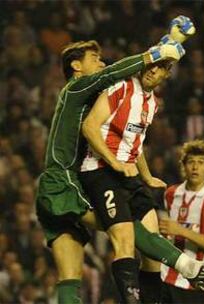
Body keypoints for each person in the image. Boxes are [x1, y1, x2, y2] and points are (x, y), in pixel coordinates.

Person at [35, 17, 191, 304]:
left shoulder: (92, 97)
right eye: (95, 58)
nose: (102, 63)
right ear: (76, 66)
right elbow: (121, 72)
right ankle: (183, 263)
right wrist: (156, 52)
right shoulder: (75, 89)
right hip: (63, 183)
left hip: (62, 189)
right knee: (123, 225)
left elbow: (144, 77)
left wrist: (173, 40)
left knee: (70, 279)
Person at [78, 22, 204, 303]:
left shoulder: (151, 104)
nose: (152, 70)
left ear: (166, 75)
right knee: (125, 240)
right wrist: (115, 163)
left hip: (128, 176)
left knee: (153, 249)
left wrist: (146, 175)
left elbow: (136, 144)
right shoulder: (120, 88)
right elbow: (90, 127)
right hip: (100, 171)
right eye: (152, 64)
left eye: (160, 69)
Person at [159, 140, 204, 304]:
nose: (195, 167)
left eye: (200, 162)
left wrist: (181, 230)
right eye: (190, 162)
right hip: (163, 276)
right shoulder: (171, 194)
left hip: (193, 283)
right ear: (183, 167)